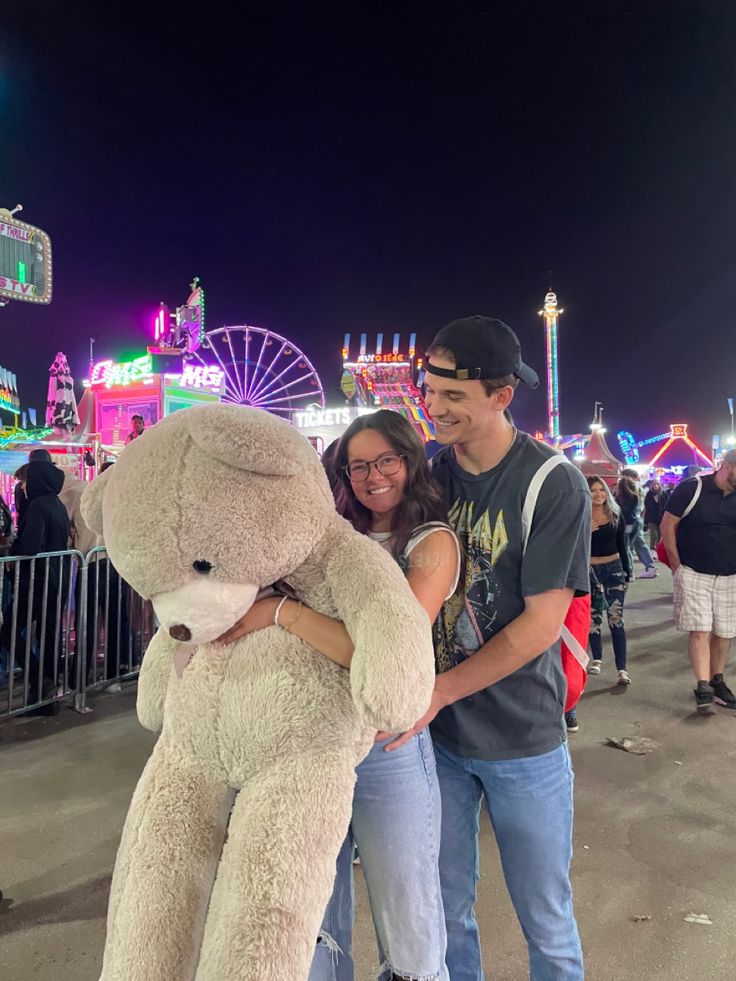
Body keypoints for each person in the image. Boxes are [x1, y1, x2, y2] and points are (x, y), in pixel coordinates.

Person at [383, 315, 590, 980]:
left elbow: (539, 625)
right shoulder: (430, 479)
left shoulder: (551, 483)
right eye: (429, 390)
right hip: (436, 742)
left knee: (546, 918)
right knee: (442, 910)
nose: (433, 407)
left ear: (501, 396)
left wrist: (440, 688)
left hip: (524, 740)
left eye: (453, 396)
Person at [221, 409, 460, 981]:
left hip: (386, 748)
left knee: (408, 911)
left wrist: (281, 613)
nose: (373, 477)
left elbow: (386, 651)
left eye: (386, 461)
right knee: (315, 911)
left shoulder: (431, 544)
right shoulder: (328, 536)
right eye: (358, 467)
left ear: (410, 462)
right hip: (313, 743)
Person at [661, 450, 736, 715]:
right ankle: (703, 685)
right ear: (727, 466)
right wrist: (676, 565)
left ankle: (718, 681)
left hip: (730, 575)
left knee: (724, 632)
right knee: (700, 628)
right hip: (693, 572)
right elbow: (667, 525)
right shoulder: (692, 489)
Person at [0, 459, 71, 711]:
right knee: (49, 635)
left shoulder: (39, 506)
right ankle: (47, 694)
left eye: (26, 481)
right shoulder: (57, 505)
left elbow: (29, 546)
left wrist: (14, 549)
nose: (23, 486)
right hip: (57, 580)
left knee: (8, 631)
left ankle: (40, 679)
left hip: (39, 583)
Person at [586, 476, 633, 690]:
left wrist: (627, 570)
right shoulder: (581, 516)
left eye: (601, 490)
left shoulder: (615, 514)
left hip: (613, 569)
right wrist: (585, 531)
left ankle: (622, 668)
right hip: (590, 571)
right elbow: (573, 546)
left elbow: (622, 545)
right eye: (593, 490)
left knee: (616, 618)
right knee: (593, 619)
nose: (598, 494)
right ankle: (596, 658)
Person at [616, 474, 657, 578]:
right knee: (640, 545)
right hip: (637, 521)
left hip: (628, 522)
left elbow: (624, 512)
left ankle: (629, 572)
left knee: (627, 547)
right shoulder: (638, 494)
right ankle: (651, 567)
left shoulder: (621, 497)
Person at [643, 479, 668, 549]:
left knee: (660, 535)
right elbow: (647, 506)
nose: (656, 486)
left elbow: (667, 505)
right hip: (651, 517)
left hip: (661, 517)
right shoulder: (649, 494)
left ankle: (657, 550)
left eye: (657, 484)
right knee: (654, 535)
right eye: (654, 484)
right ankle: (652, 549)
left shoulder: (663, 494)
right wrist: (654, 501)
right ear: (652, 486)